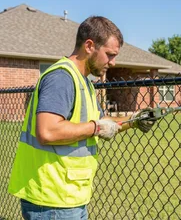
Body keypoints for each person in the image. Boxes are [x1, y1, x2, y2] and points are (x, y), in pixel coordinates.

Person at [8, 16, 155, 220]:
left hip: (67, 196)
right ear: (89, 46)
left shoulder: (84, 82)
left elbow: (102, 123)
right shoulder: (62, 78)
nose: (113, 63)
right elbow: (47, 131)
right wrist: (95, 127)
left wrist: (135, 119)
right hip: (51, 199)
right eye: (109, 55)